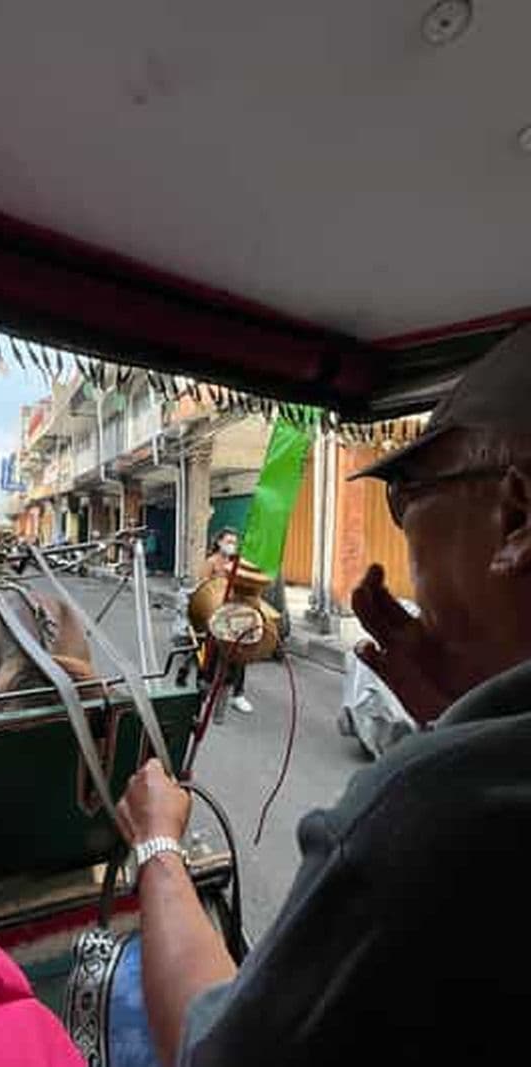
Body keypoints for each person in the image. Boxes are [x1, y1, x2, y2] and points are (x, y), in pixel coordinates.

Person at [116, 325, 531, 1066]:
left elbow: (212, 1048)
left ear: (516, 517)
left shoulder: (424, 810)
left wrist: (156, 840)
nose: (402, 532)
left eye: (407, 497)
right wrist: (459, 700)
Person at [198, 528, 252, 713]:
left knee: (240, 654)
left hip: (235, 615)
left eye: (235, 542)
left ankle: (238, 694)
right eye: (229, 541)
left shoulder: (238, 564)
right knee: (212, 654)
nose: (232, 546)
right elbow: (204, 589)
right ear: (219, 542)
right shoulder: (211, 562)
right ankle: (204, 688)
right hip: (216, 614)